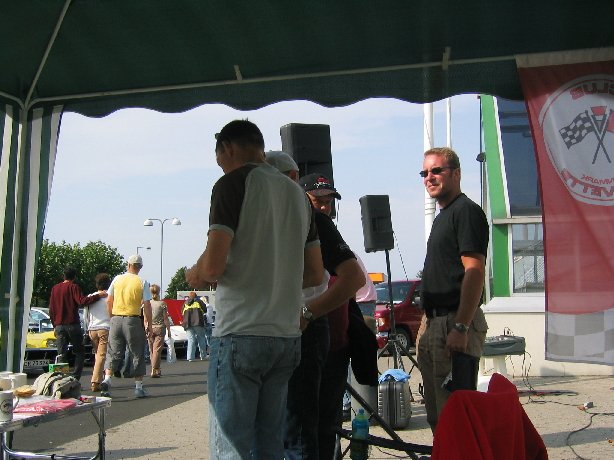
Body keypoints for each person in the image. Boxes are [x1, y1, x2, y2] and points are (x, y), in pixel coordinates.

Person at [185, 120, 323, 459]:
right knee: (270, 445)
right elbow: (315, 273)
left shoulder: (231, 184)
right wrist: (273, 275)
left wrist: (195, 274)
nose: (220, 165)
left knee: (232, 447)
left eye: (219, 158)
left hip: (241, 333)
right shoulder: (299, 196)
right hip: (286, 337)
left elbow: (212, 268)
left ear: (228, 147)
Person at [265, 152, 365, 460]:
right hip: (312, 335)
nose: (324, 206)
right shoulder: (283, 222)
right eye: (317, 200)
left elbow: (354, 278)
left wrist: (308, 313)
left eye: (328, 201)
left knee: (306, 431)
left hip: (316, 337)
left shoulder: (315, 222)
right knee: (309, 429)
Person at [417, 147, 489, 432]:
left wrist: (461, 326)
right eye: (424, 173)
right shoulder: (443, 216)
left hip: (454, 323)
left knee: (455, 417)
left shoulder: (466, 211)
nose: (429, 177)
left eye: (436, 170)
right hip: (434, 322)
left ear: (456, 173)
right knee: (437, 416)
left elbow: (474, 271)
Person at [100, 254, 153, 399]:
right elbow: (147, 305)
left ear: (128, 264)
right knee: (137, 352)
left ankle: (107, 379)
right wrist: (148, 324)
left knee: (113, 352)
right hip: (133, 320)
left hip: (116, 319)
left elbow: (108, 300)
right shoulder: (142, 282)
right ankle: (138, 387)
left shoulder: (117, 279)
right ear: (140, 267)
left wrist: (112, 317)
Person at [48, 267, 106, 381]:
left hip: (59, 325)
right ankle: (75, 378)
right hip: (72, 324)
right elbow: (82, 301)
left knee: (61, 353)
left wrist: (54, 325)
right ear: (74, 277)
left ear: (63, 276)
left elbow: (51, 309)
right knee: (79, 352)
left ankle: (61, 379)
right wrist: (98, 296)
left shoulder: (55, 288)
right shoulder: (74, 287)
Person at [84, 273, 112, 392]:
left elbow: (85, 315)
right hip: (105, 327)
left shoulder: (91, 296)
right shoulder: (109, 297)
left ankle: (98, 379)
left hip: (92, 328)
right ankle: (95, 381)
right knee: (102, 355)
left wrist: (87, 328)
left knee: (97, 355)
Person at [148, 284, 171, 377]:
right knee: (157, 350)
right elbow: (165, 318)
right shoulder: (162, 304)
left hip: (149, 327)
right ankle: (155, 369)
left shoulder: (147, 303)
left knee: (151, 350)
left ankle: (155, 369)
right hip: (160, 327)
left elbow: (145, 317)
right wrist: (169, 330)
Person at [181, 291, 208, 361]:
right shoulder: (199, 301)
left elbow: (182, 312)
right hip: (198, 323)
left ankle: (190, 357)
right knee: (201, 338)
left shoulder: (185, 303)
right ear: (196, 296)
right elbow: (205, 310)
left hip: (187, 324)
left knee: (191, 340)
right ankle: (203, 356)